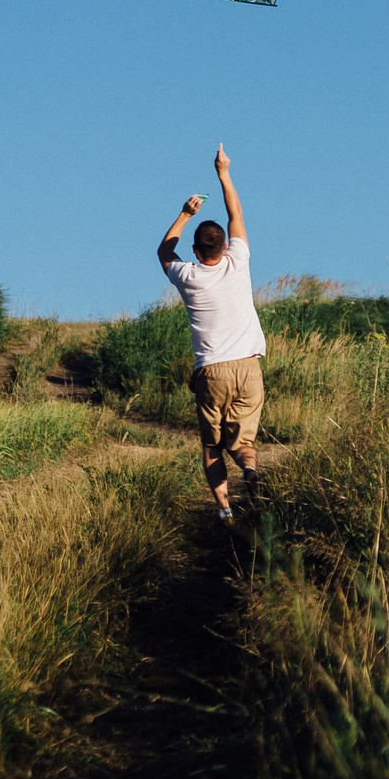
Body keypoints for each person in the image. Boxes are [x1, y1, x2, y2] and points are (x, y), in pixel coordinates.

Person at [158, 144, 267, 522]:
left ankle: (225, 512)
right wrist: (223, 172)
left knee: (211, 447)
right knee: (244, 442)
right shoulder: (239, 262)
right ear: (225, 246)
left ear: (195, 250)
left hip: (211, 371)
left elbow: (164, 252)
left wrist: (185, 213)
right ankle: (249, 468)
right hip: (249, 366)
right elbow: (236, 213)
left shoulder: (187, 276)